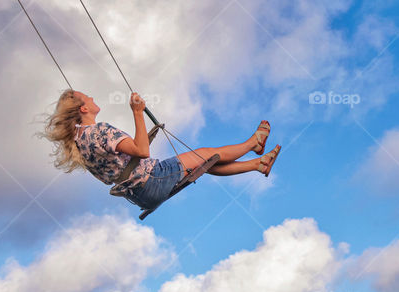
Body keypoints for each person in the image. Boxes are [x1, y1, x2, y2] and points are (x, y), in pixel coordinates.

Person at [42, 89, 280, 213]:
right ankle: (254, 144)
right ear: (84, 108)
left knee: (201, 165)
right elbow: (141, 151)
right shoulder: (100, 131)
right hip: (152, 179)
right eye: (87, 97)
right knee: (206, 152)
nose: (92, 97)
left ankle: (258, 165)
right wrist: (137, 112)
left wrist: (148, 133)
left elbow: (123, 162)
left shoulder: (80, 145)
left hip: (140, 196)